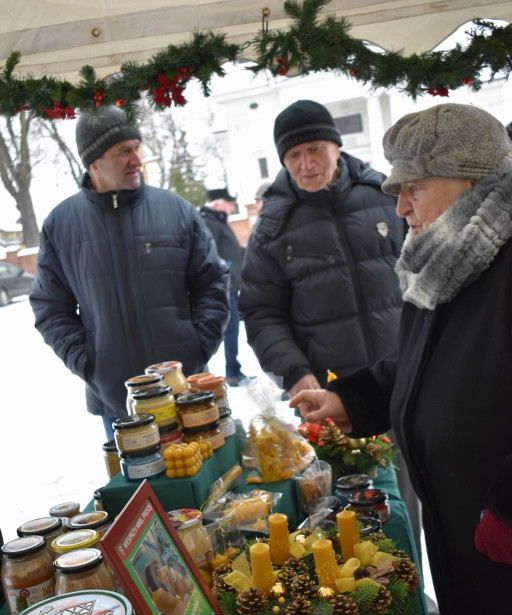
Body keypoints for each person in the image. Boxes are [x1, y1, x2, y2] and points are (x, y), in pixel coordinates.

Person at [290, 103, 512, 615]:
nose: (401, 208)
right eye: (395, 191)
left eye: (413, 187)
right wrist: (352, 397)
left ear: (470, 180)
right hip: (473, 544)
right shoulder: (444, 262)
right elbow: (424, 370)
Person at [237, 99, 423, 567]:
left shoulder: (386, 196)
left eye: (316, 150)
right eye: (293, 157)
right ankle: (370, 592)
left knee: (417, 494)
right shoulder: (273, 226)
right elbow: (260, 311)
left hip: (407, 374)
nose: (306, 164)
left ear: (337, 148)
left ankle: (417, 582)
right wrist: (297, 373)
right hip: (334, 397)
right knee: (352, 507)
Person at [30, 106, 230, 438]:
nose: (137, 159)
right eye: (124, 151)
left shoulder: (177, 211)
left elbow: (212, 282)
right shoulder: (60, 226)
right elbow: (50, 309)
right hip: (117, 406)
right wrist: (91, 365)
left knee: (206, 486)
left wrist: (197, 347)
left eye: (137, 147)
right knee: (141, 491)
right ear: (94, 162)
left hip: (187, 395)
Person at [200, 188, 247, 386]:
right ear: (219, 204)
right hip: (225, 285)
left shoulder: (218, 221)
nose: (231, 208)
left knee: (232, 329)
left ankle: (233, 369)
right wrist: (227, 270)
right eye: (230, 204)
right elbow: (212, 253)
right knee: (229, 329)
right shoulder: (210, 222)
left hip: (232, 284)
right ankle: (230, 372)